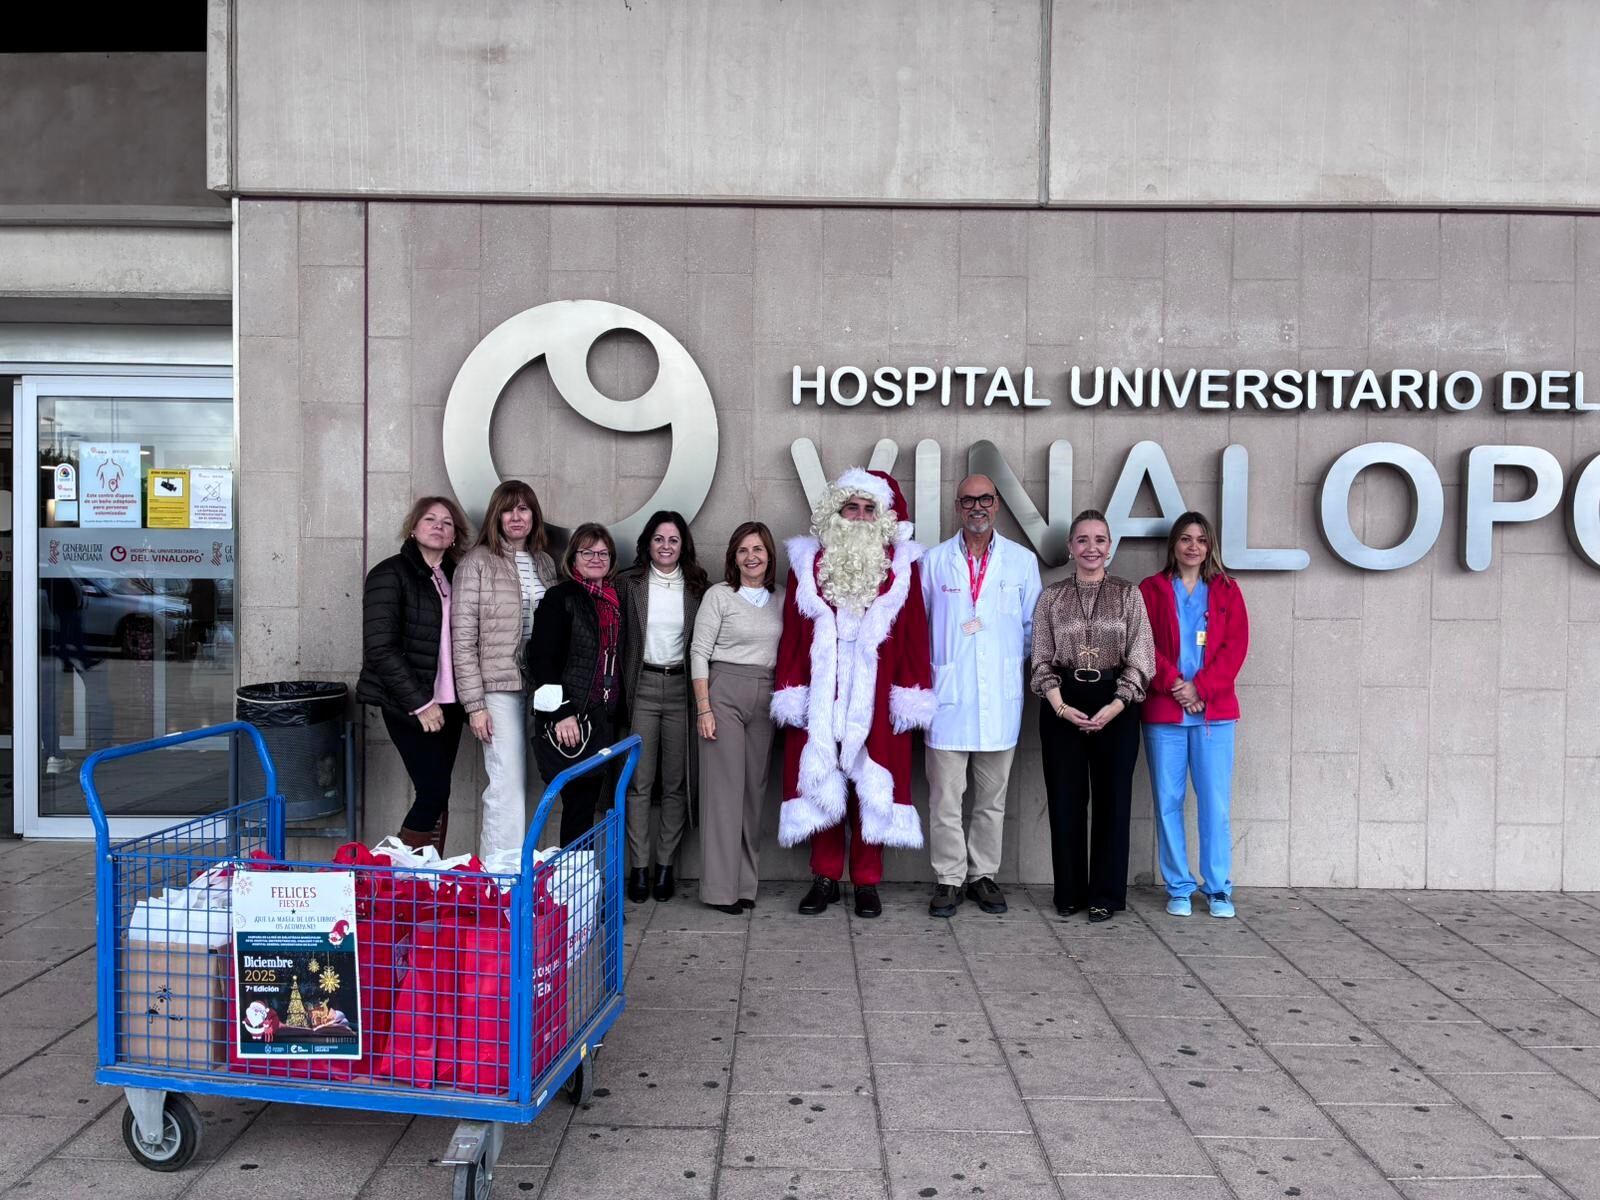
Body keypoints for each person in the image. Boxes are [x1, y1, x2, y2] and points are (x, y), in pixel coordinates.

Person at [771, 468, 935, 918]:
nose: (860, 517)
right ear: (836, 513)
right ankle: (824, 876)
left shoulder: (902, 567)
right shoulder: (808, 565)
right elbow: (792, 634)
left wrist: (909, 693)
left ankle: (866, 880)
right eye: (852, 508)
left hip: (877, 693)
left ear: (882, 518)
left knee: (872, 781)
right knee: (823, 778)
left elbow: (915, 633)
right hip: (821, 691)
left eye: (869, 509)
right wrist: (791, 689)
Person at [921, 474, 1042, 918]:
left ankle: (983, 875)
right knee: (945, 800)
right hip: (947, 699)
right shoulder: (933, 562)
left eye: (985, 499)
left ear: (996, 505)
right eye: (969, 500)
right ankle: (949, 878)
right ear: (957, 506)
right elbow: (921, 627)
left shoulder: (1021, 561)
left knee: (992, 799)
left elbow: (1032, 630)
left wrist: (1001, 664)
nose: (978, 507)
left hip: (999, 700)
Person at [1029, 509, 1154, 923]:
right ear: (1070, 547)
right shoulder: (1051, 597)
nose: (1091, 547)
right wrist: (1061, 706)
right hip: (1062, 700)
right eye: (1082, 539)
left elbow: (1142, 657)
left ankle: (1105, 895)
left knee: (1112, 802)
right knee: (1065, 800)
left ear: (1110, 546)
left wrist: (1116, 705)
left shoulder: (1128, 594)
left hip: (1116, 702)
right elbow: (1040, 659)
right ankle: (1068, 893)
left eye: (1099, 539)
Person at [1139, 512, 1250, 919]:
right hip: (1165, 712)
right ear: (1173, 544)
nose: (1193, 546)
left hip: (1213, 715)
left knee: (1215, 804)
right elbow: (1142, 642)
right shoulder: (1151, 589)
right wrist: (1176, 684)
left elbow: (1235, 648)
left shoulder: (1226, 590)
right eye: (1185, 538)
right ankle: (1179, 886)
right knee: (1168, 802)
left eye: (1201, 540)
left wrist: (1200, 688)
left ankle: (1218, 888)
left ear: (1209, 547)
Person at [356, 496, 471, 850]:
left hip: (450, 702)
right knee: (432, 790)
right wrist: (421, 703)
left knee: (439, 791)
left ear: (454, 535)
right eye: (430, 519)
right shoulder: (389, 574)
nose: (439, 526)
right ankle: (402, 870)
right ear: (413, 528)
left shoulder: (456, 575)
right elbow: (380, 647)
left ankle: (427, 867)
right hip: (410, 702)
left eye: (447, 522)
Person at [453, 480, 556, 860]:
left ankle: (524, 868)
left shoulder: (544, 562)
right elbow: (462, 638)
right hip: (498, 687)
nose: (516, 517)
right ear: (496, 516)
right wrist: (475, 705)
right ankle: (500, 878)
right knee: (506, 784)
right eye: (508, 509)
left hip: (538, 688)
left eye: (524, 509)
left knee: (531, 782)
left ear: (534, 516)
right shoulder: (477, 562)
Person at [691, 522, 784, 915]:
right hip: (724, 693)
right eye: (743, 550)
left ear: (769, 555)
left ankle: (746, 885)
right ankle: (719, 890)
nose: (751, 557)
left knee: (753, 793)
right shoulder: (719, 595)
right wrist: (704, 708)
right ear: (733, 556)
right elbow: (698, 652)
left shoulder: (781, 597)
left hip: (766, 696)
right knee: (723, 794)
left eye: (758, 549)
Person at [618, 512, 708, 903]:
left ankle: (665, 866)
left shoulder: (698, 587)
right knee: (639, 782)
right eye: (659, 539)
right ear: (648, 543)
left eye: (673, 539)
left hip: (680, 690)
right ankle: (639, 868)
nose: (666, 546)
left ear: (683, 545)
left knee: (676, 782)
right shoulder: (628, 583)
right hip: (641, 686)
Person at [528, 523, 627, 845]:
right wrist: (562, 712)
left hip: (604, 717)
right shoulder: (561, 597)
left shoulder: (614, 600)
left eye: (603, 553)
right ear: (573, 558)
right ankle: (574, 872)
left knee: (589, 803)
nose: (596, 559)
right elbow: (541, 659)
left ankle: (580, 869)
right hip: (574, 718)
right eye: (588, 552)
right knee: (579, 805)